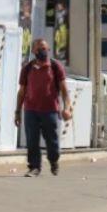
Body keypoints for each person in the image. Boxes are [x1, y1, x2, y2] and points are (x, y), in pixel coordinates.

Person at [17, 38, 72, 177]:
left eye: (46, 49)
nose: (44, 51)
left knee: (52, 141)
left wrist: (67, 107)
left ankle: (54, 161)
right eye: (40, 48)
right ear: (34, 51)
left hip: (50, 110)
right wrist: (17, 111)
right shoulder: (27, 68)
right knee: (32, 140)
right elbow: (22, 91)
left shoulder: (55, 66)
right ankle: (34, 167)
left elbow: (64, 89)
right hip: (31, 110)